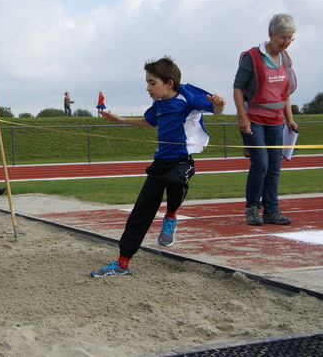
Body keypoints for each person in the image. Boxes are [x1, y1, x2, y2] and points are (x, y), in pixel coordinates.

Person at [90, 57, 226, 277]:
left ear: (169, 83)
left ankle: (170, 216)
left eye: (152, 83)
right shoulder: (158, 104)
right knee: (140, 213)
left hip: (182, 159)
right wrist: (120, 120)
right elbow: (149, 121)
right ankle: (122, 263)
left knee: (176, 180)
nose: (147, 88)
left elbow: (215, 109)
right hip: (159, 163)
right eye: (147, 82)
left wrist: (218, 105)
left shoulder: (188, 94)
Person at [233, 14, 298, 226]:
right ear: (271, 34)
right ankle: (252, 208)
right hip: (254, 119)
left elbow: (285, 93)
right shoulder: (252, 56)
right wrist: (243, 118)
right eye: (283, 37)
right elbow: (238, 88)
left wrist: (290, 119)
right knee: (260, 163)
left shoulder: (286, 59)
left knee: (274, 166)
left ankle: (272, 210)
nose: (286, 42)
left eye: (290, 38)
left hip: (276, 121)